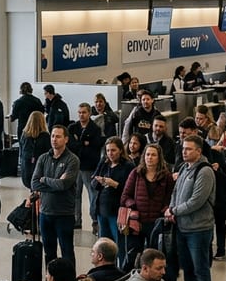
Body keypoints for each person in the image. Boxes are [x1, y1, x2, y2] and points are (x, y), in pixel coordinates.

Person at [166, 135, 215, 281]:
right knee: (187, 267)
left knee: (200, 269)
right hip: (182, 228)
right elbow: (176, 191)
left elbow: (197, 201)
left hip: (199, 229)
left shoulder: (205, 171)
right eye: (183, 148)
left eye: (188, 149)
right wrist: (171, 208)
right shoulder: (184, 168)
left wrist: (175, 211)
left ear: (199, 151)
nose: (184, 152)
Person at [119, 144, 174, 269]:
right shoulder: (136, 173)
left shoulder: (166, 176)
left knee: (155, 256)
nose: (150, 157)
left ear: (159, 158)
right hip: (136, 223)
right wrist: (133, 206)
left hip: (156, 223)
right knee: (133, 255)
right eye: (148, 154)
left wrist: (165, 209)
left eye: (153, 155)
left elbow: (170, 198)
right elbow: (125, 197)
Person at [31, 124, 80, 263]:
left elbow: (64, 185)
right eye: (52, 136)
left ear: (66, 139)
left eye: (58, 136)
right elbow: (34, 183)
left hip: (64, 214)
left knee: (67, 252)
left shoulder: (72, 160)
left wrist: (45, 180)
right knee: (49, 252)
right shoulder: (43, 158)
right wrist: (56, 183)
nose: (54, 139)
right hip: (45, 213)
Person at [92, 137, 134, 265]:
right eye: (108, 150)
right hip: (102, 209)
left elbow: (130, 189)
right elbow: (93, 182)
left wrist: (115, 184)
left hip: (117, 211)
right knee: (103, 244)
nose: (110, 153)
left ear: (120, 150)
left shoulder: (128, 166)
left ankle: (120, 269)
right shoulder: (104, 163)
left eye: (113, 150)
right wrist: (99, 181)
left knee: (119, 244)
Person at [68, 102, 103, 231]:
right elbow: (71, 145)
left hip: (89, 166)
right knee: (75, 194)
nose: (81, 115)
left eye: (84, 112)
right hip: (75, 166)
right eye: (79, 112)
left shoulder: (95, 129)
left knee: (92, 194)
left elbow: (94, 148)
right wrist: (83, 144)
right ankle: (76, 220)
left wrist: (79, 144)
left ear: (89, 113)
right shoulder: (72, 128)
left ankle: (95, 221)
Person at [18, 110, 51, 190]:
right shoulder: (45, 136)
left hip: (26, 168)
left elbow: (21, 151)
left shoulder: (24, 135)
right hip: (40, 170)